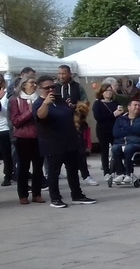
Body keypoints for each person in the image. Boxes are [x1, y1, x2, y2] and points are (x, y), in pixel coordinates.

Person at [32, 76, 97, 208]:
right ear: (40, 89)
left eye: (53, 87)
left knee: (72, 170)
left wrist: (72, 107)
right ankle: (55, 198)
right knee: (54, 172)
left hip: (69, 141)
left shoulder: (60, 100)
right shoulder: (39, 103)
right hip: (53, 143)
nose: (51, 90)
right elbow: (40, 116)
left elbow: (69, 115)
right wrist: (46, 103)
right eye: (47, 88)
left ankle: (77, 195)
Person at [9, 77, 45, 203]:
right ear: (24, 85)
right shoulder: (16, 100)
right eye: (31, 83)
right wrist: (30, 111)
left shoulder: (40, 100)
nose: (34, 85)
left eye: (35, 83)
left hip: (39, 137)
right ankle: (23, 195)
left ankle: (37, 194)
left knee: (38, 167)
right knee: (23, 167)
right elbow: (15, 121)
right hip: (23, 137)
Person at [111, 100, 140, 184]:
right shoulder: (120, 119)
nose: (137, 107)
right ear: (129, 107)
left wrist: (125, 129)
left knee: (129, 148)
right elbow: (116, 133)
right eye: (135, 105)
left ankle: (128, 173)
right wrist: (133, 130)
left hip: (137, 143)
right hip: (121, 142)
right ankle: (120, 173)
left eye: (139, 105)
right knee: (115, 149)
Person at [92, 79, 123, 182]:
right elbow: (98, 117)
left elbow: (120, 115)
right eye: (106, 91)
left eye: (110, 90)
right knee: (104, 151)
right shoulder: (98, 104)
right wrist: (113, 114)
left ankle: (118, 170)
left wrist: (121, 113)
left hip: (115, 129)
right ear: (102, 92)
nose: (108, 92)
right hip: (103, 130)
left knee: (117, 149)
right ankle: (106, 171)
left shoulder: (115, 102)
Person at [0, 80, 13, 186]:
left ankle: (8, 176)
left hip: (4, 128)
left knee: (6, 155)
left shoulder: (5, 95)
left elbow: (7, 113)